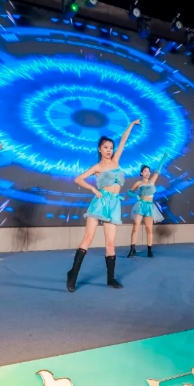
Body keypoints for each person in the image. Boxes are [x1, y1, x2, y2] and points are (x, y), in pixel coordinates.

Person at [66, 119, 141, 292]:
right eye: (106, 147)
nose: (109, 150)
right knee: (88, 238)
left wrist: (131, 124)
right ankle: (73, 275)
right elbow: (78, 179)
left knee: (110, 243)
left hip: (114, 204)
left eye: (111, 147)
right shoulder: (97, 166)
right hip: (100, 202)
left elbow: (123, 140)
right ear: (99, 149)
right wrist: (93, 189)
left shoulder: (116, 161)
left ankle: (110, 279)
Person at [127, 153, 167, 258]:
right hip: (140, 205)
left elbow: (157, 170)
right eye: (145, 171)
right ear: (141, 173)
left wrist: (163, 158)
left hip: (149, 206)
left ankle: (149, 250)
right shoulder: (138, 183)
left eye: (149, 171)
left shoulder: (152, 181)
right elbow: (129, 192)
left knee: (149, 229)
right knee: (136, 226)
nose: (147, 173)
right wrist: (135, 196)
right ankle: (132, 249)